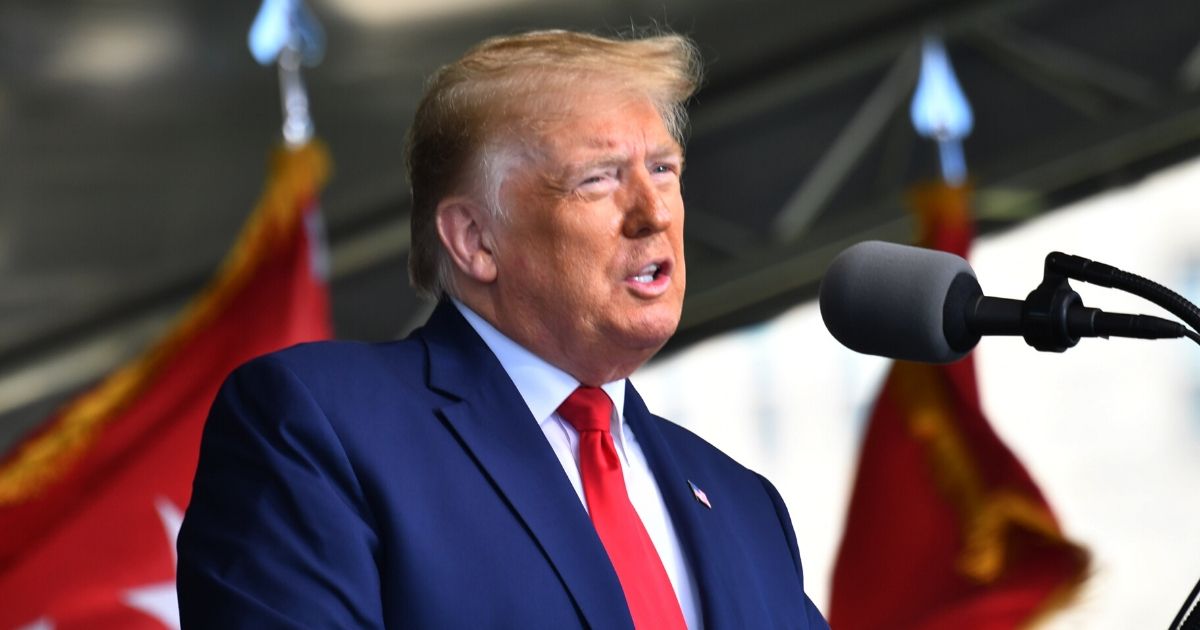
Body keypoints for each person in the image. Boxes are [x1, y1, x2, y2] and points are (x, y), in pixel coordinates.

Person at [177, 29, 830, 629]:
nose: (653, 212)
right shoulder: (321, 427)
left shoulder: (747, 508)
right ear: (474, 239)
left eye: (664, 169)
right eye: (598, 179)